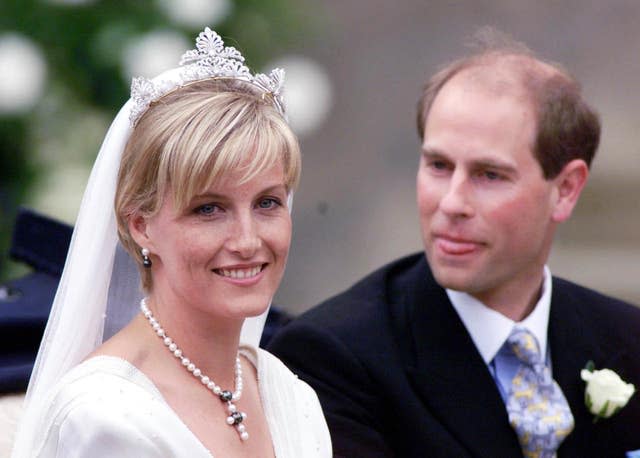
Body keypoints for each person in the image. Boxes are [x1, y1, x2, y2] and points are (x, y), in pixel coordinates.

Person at [268, 32, 640, 457]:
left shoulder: (628, 338)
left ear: (566, 189)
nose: (452, 202)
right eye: (438, 165)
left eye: (489, 175)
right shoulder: (332, 356)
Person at [12, 27, 330, 457]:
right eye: (208, 209)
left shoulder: (287, 392)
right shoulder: (103, 417)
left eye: (267, 202)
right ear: (141, 226)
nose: (247, 239)